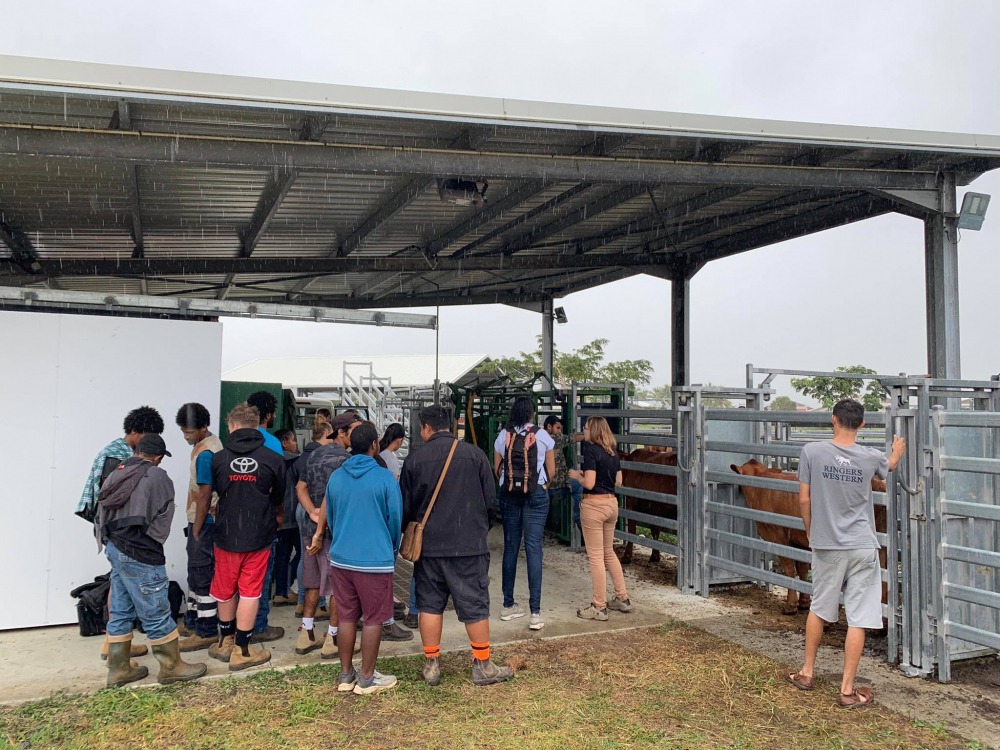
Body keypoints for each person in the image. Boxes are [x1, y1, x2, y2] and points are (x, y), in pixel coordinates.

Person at [786, 399, 906, 709]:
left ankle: (807, 673)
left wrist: (812, 533)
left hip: (827, 544)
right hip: (862, 545)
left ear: (833, 420)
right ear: (862, 425)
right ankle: (848, 689)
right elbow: (889, 467)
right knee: (858, 617)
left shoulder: (811, 451)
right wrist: (897, 452)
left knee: (819, 608)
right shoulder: (869, 457)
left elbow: (803, 500)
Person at [403, 405, 513, 687]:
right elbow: (491, 502)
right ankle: (483, 665)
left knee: (429, 604)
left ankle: (431, 665)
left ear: (425, 427)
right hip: (468, 547)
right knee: (474, 603)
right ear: (450, 427)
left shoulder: (415, 460)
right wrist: (476, 531)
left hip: (429, 549)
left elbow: (408, 508)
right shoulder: (475, 455)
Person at [96, 434, 207, 688]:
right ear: (157, 457)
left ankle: (118, 668)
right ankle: (171, 667)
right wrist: (152, 546)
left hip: (114, 548)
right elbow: (163, 518)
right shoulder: (158, 476)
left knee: (121, 611)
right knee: (156, 610)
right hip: (140, 552)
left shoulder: (117, 471)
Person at [195, 403, 286, 671]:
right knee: (250, 591)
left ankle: (225, 642)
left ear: (231, 426)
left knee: (224, 589)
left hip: (225, 533)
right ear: (257, 425)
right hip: (259, 533)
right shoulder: (274, 459)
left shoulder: (217, 458)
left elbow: (213, 492)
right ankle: (242, 651)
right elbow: (279, 497)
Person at [79, 405, 164, 662]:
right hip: (121, 534)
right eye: (148, 436)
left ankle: (115, 645)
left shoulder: (120, 451)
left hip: (117, 532)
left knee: (120, 586)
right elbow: (112, 498)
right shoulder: (117, 457)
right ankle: (114, 644)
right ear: (137, 431)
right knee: (127, 588)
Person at [327, 422, 403, 695]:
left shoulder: (336, 477)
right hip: (375, 559)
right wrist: (391, 548)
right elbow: (395, 520)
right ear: (374, 445)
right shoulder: (384, 479)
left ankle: (346, 675)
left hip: (341, 558)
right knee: (373, 618)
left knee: (346, 616)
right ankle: (368, 677)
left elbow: (332, 519)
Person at [296, 412, 360, 658]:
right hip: (333, 532)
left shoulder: (313, 455)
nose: (356, 434)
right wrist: (321, 522)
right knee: (337, 587)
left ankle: (306, 632)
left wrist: (311, 510)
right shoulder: (346, 459)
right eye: (353, 429)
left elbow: (300, 487)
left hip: (310, 530)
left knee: (312, 582)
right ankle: (332, 638)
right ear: (341, 432)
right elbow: (332, 493)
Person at [493, 396, 555, 630]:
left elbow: (497, 467)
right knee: (533, 548)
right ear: (532, 413)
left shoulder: (503, 435)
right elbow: (551, 469)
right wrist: (542, 486)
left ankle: (508, 605)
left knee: (511, 547)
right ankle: (535, 613)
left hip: (509, 495)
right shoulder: (542, 435)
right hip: (536, 495)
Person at [568, 417, 632, 621]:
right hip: (611, 504)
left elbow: (589, 483)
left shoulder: (591, 451)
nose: (583, 431)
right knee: (608, 552)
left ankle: (599, 605)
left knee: (595, 557)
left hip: (594, 505)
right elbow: (619, 481)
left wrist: (577, 476)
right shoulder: (612, 451)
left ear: (593, 431)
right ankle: (622, 598)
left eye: (585, 428)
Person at [174, 402, 224, 652]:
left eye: (189, 432)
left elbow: (205, 494)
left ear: (204, 427)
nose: (186, 437)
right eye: (183, 431)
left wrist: (197, 528)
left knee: (202, 572)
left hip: (205, 522)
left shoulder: (206, 453)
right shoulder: (203, 446)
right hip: (200, 519)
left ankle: (205, 630)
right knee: (195, 573)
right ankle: (193, 620)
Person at [245, 390, 285, 642]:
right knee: (261, 573)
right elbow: (278, 485)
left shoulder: (233, 441)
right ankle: (259, 625)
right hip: (264, 516)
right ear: (268, 414)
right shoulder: (272, 444)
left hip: (234, 518)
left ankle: (239, 626)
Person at [294, 422, 332, 619]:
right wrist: (314, 513)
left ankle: (302, 604)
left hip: (305, 508)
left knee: (305, 556)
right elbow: (328, 493)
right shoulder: (325, 456)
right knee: (324, 564)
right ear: (326, 433)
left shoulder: (304, 455)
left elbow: (299, 486)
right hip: (318, 511)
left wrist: (309, 511)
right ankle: (322, 605)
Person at [272, 428, 301, 607]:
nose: (295, 443)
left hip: (278, 516)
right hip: (293, 516)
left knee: (281, 556)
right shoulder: (295, 461)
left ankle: (280, 593)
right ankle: (289, 586)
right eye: (292, 440)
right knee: (304, 553)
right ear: (284, 442)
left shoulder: (271, 460)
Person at [543, 416, 585, 538]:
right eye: (557, 428)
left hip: (543, 483)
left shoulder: (538, 438)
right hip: (558, 482)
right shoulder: (555, 438)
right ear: (549, 427)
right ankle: (579, 519)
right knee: (579, 486)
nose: (560, 431)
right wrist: (588, 435)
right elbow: (573, 438)